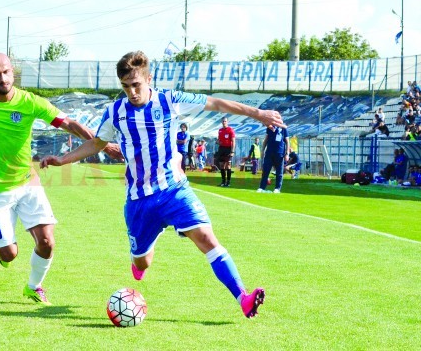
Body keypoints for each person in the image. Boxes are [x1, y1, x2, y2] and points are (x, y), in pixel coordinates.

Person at [40, 51, 285, 318]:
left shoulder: (170, 100)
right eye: (125, 87)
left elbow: (215, 103)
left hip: (174, 191)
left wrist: (258, 113)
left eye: (136, 85)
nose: (132, 92)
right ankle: (143, 254)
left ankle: (243, 298)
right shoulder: (115, 112)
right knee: (142, 260)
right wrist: (63, 160)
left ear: (149, 79)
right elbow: (96, 143)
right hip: (139, 201)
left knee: (207, 239)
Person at [0, 52, 122, 305]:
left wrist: (103, 144)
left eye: (6, 72)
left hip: (27, 184)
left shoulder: (31, 102)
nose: (2, 78)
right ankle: (2, 247)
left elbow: (68, 123)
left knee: (47, 242)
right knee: (9, 254)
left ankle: (34, 286)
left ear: (13, 72)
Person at [257, 125, 289, 193]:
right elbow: (266, 139)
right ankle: (262, 187)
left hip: (279, 153)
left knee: (279, 172)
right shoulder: (270, 127)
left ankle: (277, 188)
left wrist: (287, 153)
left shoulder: (284, 128)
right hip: (269, 152)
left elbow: (287, 141)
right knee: (265, 171)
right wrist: (262, 150)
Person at [216, 116, 235, 186]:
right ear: (221, 122)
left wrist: (232, 151)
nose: (224, 122)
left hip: (228, 149)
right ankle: (223, 181)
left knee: (228, 165)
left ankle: (228, 182)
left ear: (227, 122)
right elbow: (219, 140)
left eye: (225, 121)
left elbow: (233, 141)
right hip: (221, 148)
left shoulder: (230, 130)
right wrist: (217, 142)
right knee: (221, 165)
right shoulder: (220, 130)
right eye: (223, 121)